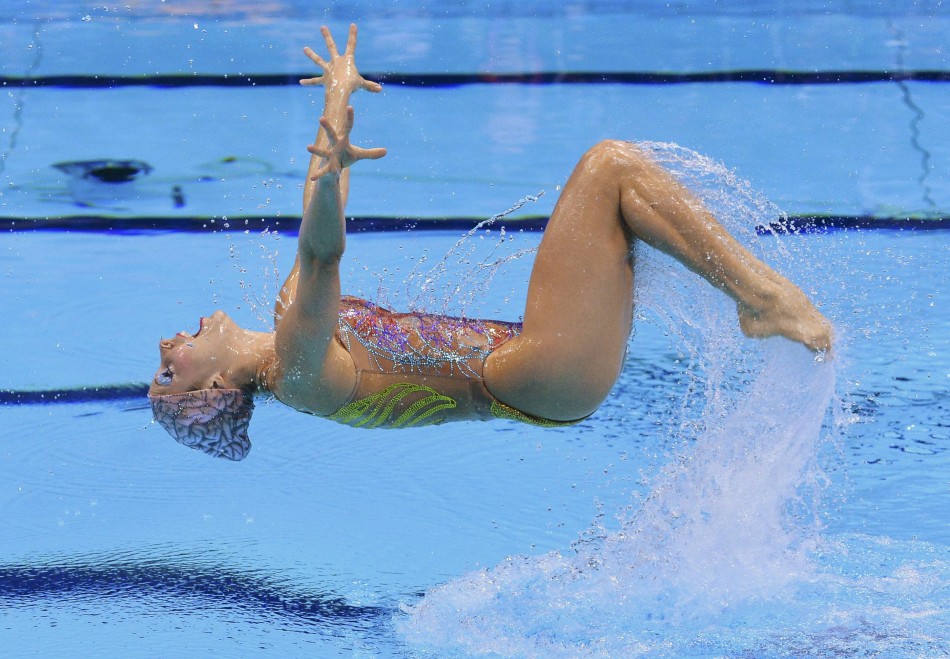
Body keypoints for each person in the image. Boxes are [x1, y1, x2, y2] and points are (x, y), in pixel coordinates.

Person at [148, 24, 833, 460]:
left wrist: (335, 104)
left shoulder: (291, 327)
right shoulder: (297, 373)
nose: (165, 346)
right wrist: (330, 174)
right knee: (610, 169)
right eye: (169, 372)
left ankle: (758, 298)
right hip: (540, 373)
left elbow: (315, 228)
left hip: (543, 371)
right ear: (217, 387)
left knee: (617, 190)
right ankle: (761, 300)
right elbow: (323, 252)